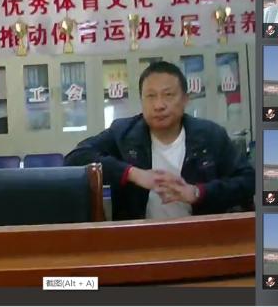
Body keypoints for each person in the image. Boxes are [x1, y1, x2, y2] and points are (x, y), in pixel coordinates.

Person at [64, 61, 254, 221]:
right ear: (141, 100)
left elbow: (248, 180)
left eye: (168, 95)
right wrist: (132, 173)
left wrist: (197, 193)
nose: (159, 105)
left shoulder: (210, 135)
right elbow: (75, 157)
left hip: (202, 237)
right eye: (151, 96)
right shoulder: (124, 133)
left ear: (185, 99)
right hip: (139, 240)